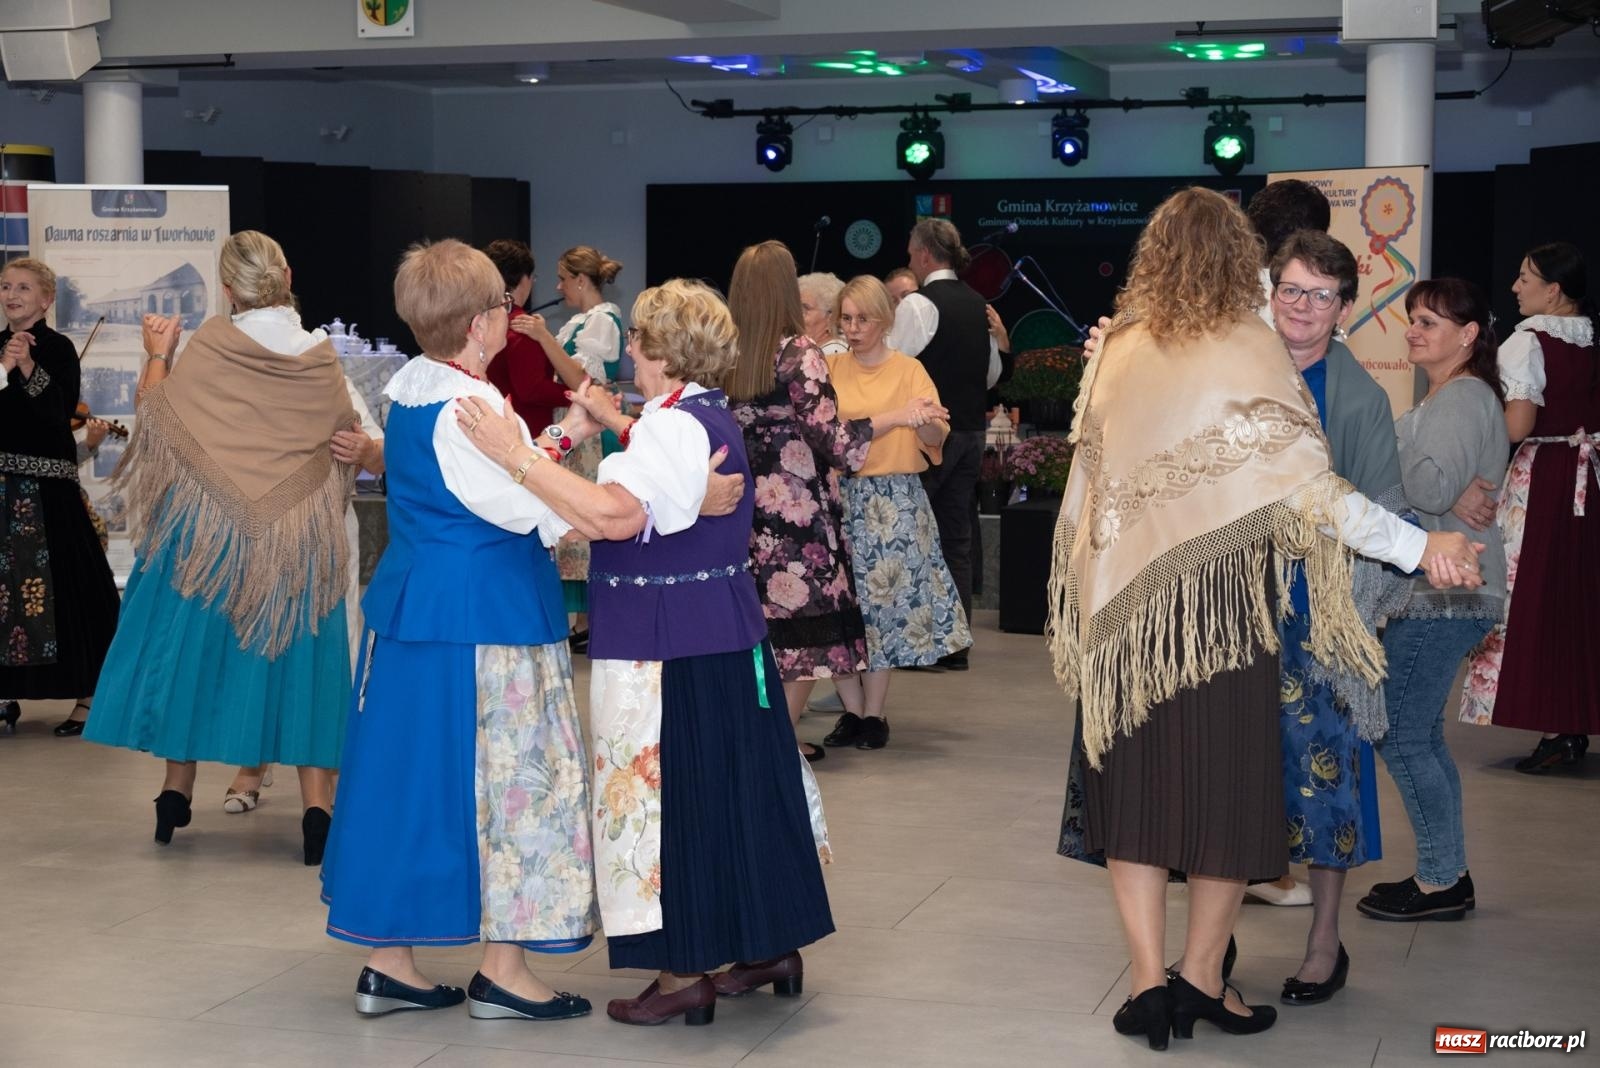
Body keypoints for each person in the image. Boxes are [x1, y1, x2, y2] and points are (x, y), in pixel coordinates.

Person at [1048, 188, 1478, 1048]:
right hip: (1223, 627)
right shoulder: (1251, 349)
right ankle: (1204, 979)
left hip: (1128, 627)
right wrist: (1419, 545)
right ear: (1240, 259)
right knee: (1224, 801)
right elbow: (1312, 494)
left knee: (1132, 803)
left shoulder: (1117, 348)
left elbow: (1089, 480)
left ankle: (1144, 986)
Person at [457, 278, 834, 1027]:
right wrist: (614, 420)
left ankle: (681, 971)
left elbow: (615, 515)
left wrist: (518, 457)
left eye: (636, 337)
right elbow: (668, 473)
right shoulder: (700, 415)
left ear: (662, 350)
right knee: (740, 789)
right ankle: (768, 943)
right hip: (725, 631)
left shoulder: (665, 432)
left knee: (672, 803)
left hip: (662, 647)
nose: (628, 347)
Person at [319, 239, 598, 1023]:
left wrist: (550, 446)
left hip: (411, 612)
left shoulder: (410, 389)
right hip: (488, 618)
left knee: (412, 781)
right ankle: (505, 970)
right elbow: (533, 512)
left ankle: (390, 961)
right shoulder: (478, 408)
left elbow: (470, 490)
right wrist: (572, 451)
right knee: (510, 783)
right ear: (482, 322)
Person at [84, 231, 355, 863]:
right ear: (287, 274)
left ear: (228, 289)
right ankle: (317, 808)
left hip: (208, 529)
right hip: (296, 533)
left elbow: (155, 418)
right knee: (302, 657)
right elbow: (342, 439)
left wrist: (158, 353)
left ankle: (176, 792)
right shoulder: (320, 354)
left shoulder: (210, 342)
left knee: (192, 649)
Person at [725, 241, 947, 761]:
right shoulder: (800, 354)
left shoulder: (730, 356)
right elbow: (837, 445)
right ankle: (775, 743)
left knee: (762, 631)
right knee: (806, 636)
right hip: (800, 516)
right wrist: (895, 416)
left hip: (745, 511)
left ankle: (760, 733)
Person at [1264, 230, 1412, 1005]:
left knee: (1328, 781)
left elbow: (1385, 510)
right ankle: (1209, 938)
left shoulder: (1361, 397)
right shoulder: (1233, 372)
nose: (1303, 308)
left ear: (1345, 309)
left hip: (1320, 620)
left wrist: (1353, 618)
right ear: (1271, 291)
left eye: (1322, 296)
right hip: (1232, 614)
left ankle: (1325, 939)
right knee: (1233, 773)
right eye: (1292, 290)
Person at [1355, 279, 1508, 924]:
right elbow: (1441, 490)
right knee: (1419, 735)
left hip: (1445, 592)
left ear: (1468, 335)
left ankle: (1442, 879)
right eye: (1412, 319)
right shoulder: (1452, 397)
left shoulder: (1460, 396)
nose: (1414, 331)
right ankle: (1448, 872)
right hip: (1451, 589)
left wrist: (1398, 453)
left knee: (1401, 733)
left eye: (1431, 322)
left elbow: (1428, 483)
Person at [1458, 242, 1600, 772]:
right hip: (1588, 477)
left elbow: (1517, 426)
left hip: (1545, 478)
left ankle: (1554, 722)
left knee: (1532, 594)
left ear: (1553, 290)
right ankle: (1571, 722)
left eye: (1525, 278)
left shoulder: (1527, 343)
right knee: (1578, 596)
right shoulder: (1591, 338)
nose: (1516, 287)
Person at [822, 275, 971, 751]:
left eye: (862, 318)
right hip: (839, 498)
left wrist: (926, 422)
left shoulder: (909, 370)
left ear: (885, 320)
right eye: (846, 318)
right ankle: (850, 709)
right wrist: (894, 418)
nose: (853, 327)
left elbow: (934, 441)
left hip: (894, 501)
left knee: (882, 610)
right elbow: (825, 431)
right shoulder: (828, 369)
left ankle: (874, 713)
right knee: (836, 607)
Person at [0, 259, 121, 737]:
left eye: (24, 288)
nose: (12, 294)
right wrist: (5, 365)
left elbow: (55, 413)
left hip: (48, 493)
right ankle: (6, 693)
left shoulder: (58, 348)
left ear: (46, 299)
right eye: (7, 286)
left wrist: (27, 366)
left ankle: (89, 697)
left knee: (70, 592)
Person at [889, 220, 1000, 669]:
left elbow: (893, 365)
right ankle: (956, 647)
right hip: (972, 431)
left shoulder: (918, 305)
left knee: (917, 537)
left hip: (931, 434)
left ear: (924, 256)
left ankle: (918, 644)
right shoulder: (979, 305)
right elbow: (991, 374)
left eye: (913, 252)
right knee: (956, 537)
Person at [510, 245, 625, 650]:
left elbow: (581, 380)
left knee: (586, 518)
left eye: (562, 278)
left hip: (591, 429)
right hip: (574, 425)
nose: (558, 287)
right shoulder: (582, 321)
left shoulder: (603, 321)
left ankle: (597, 620)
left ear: (580, 280)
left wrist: (541, 335)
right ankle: (582, 623)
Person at [483, 239, 576, 434]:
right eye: (532, 277)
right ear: (524, 278)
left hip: (491, 421)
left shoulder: (481, 321)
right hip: (525, 427)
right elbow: (532, 390)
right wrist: (575, 395)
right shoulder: (524, 328)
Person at [798, 272, 849, 355]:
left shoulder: (834, 352)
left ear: (831, 318)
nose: (797, 314)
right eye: (796, 307)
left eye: (805, 308)